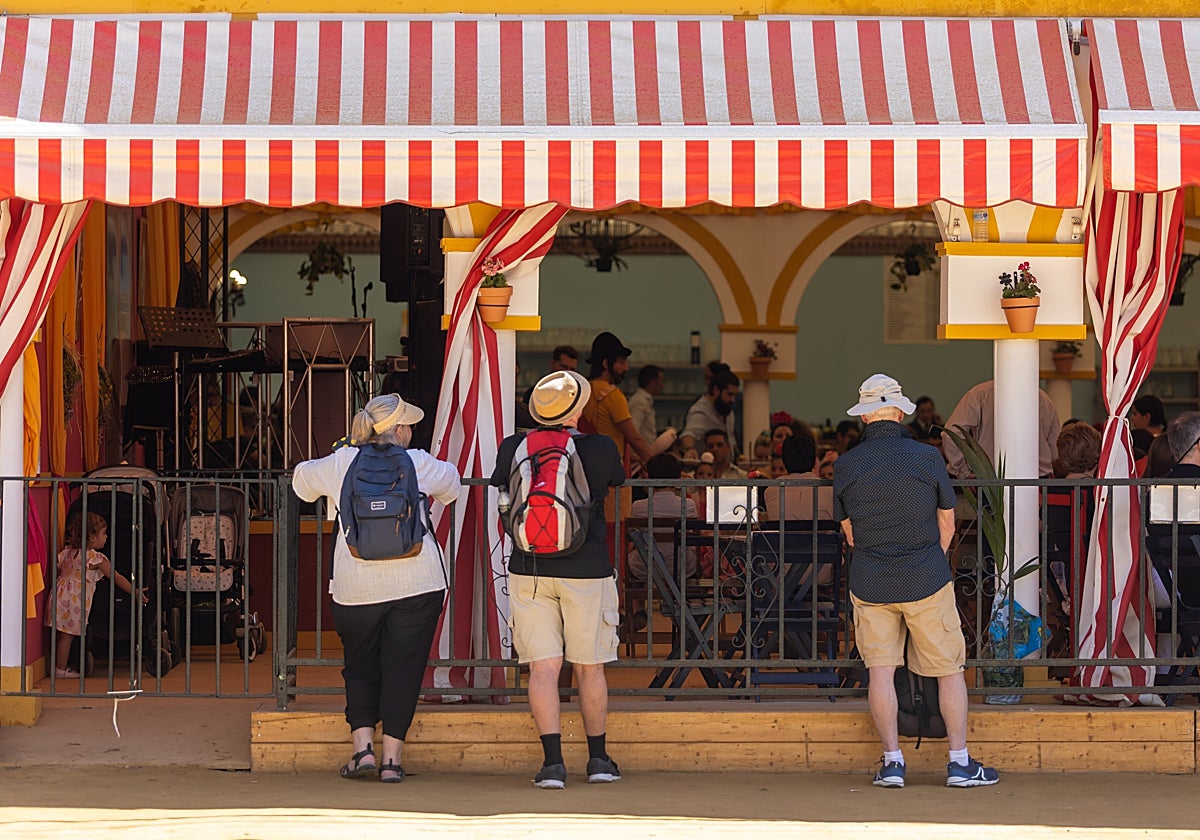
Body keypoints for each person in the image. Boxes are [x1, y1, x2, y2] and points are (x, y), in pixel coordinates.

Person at [833, 373, 998, 789]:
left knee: (881, 674)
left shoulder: (846, 465)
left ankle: (892, 763)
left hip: (871, 581)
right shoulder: (926, 459)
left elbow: (850, 533)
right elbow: (947, 523)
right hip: (925, 577)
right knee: (949, 671)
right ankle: (959, 763)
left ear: (865, 417)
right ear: (900, 411)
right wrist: (929, 560)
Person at [292, 393, 460, 783]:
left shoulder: (341, 462)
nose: (412, 430)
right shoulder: (417, 460)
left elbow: (301, 482)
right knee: (404, 670)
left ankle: (362, 751)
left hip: (355, 586)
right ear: (398, 430)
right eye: (409, 425)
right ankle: (391, 762)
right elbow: (451, 486)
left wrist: (342, 454)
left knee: (360, 666)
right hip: (418, 583)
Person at [491, 370, 625, 789]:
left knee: (543, 669)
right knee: (589, 667)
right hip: (588, 570)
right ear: (578, 409)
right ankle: (599, 760)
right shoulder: (600, 447)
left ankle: (552, 764)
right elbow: (617, 480)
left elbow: (502, 489)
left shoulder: (514, 447)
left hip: (529, 568)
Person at [46, 511, 145, 678]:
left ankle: (58, 664)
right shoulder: (95, 558)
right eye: (104, 534)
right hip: (75, 600)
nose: (106, 537)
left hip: (58, 595)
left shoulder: (68, 552)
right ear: (92, 537)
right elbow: (116, 577)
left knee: (61, 635)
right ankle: (60, 670)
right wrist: (134, 591)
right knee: (67, 637)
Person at [581, 331, 676, 475]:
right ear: (606, 364)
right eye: (621, 362)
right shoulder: (613, 395)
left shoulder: (582, 391)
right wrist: (658, 468)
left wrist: (634, 458)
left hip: (585, 474)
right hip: (611, 477)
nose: (626, 368)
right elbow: (635, 439)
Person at [941, 380, 1060, 480]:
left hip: (991, 480)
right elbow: (1055, 448)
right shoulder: (1043, 398)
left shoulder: (981, 393)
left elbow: (951, 434)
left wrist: (963, 471)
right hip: (1037, 480)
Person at [764, 432, 834, 522]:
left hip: (784, 537)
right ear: (814, 461)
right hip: (821, 536)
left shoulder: (771, 490)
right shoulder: (831, 491)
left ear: (784, 461)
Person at [680, 370, 740, 460]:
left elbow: (731, 441)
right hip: (706, 470)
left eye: (734, 395)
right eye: (729, 394)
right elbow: (688, 434)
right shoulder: (701, 412)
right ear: (716, 390)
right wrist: (690, 449)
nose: (732, 400)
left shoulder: (727, 410)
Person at [628, 364, 665, 446]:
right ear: (653, 382)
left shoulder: (645, 400)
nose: (663, 386)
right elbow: (633, 432)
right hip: (640, 456)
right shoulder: (639, 401)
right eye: (661, 381)